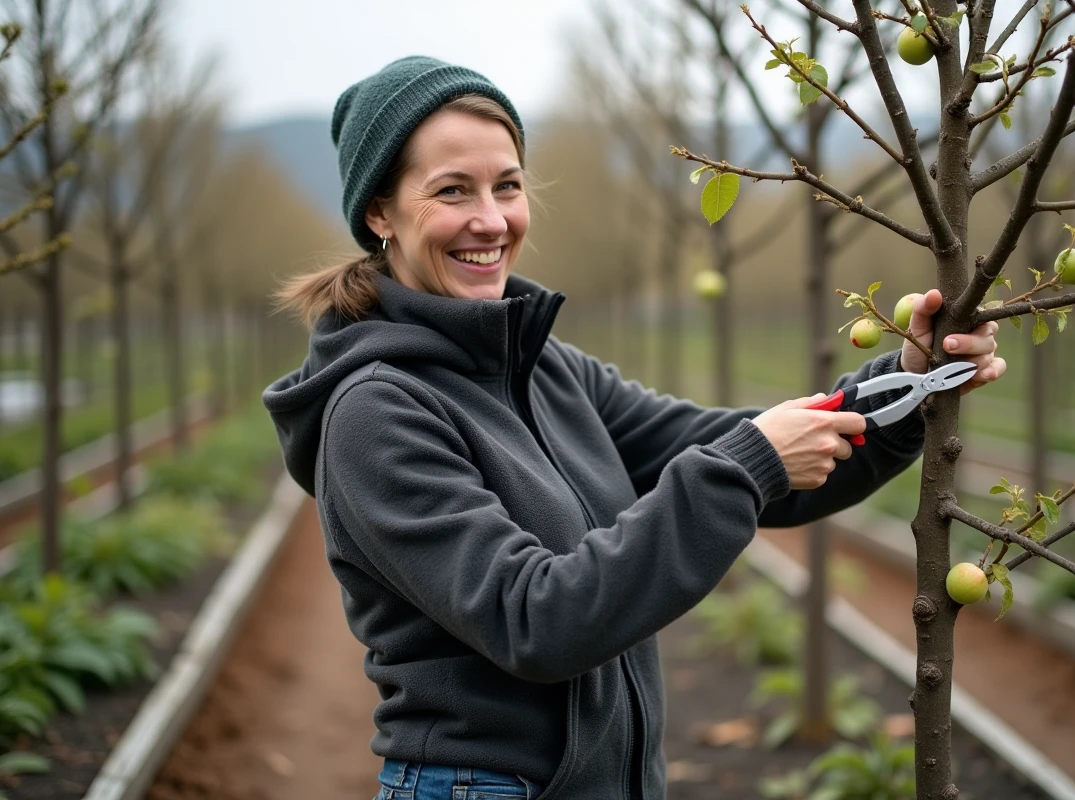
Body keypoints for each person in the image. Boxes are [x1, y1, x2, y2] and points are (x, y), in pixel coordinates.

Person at [263, 55, 1005, 800]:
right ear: (379, 213)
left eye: (508, 185)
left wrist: (905, 381)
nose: (491, 220)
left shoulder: (543, 366)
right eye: (451, 190)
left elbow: (732, 447)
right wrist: (748, 464)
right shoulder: (375, 413)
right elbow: (535, 618)